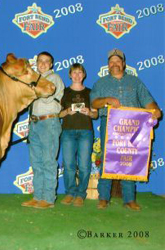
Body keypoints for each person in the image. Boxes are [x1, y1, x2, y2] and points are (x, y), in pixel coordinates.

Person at [90, 49, 162, 211]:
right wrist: (107, 100)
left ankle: (129, 199)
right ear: (108, 65)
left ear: (123, 63)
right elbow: (94, 103)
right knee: (107, 160)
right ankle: (103, 198)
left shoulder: (135, 82)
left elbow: (148, 101)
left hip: (132, 127)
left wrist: (155, 111)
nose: (114, 64)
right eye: (111, 61)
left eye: (117, 61)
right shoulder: (100, 83)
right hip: (109, 125)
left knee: (128, 161)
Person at [21, 51, 65, 209]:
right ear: (36, 63)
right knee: (36, 162)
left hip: (49, 122)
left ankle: (48, 198)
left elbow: (46, 97)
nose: (43, 64)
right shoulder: (34, 80)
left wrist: (31, 91)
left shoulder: (54, 79)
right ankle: (38, 196)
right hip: (35, 123)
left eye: (47, 61)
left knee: (48, 161)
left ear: (51, 64)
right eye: (40, 61)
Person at [59, 63, 98, 207]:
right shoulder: (64, 92)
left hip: (85, 131)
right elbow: (58, 113)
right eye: (74, 72)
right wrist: (66, 112)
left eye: (80, 72)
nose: (77, 75)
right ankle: (70, 193)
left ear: (84, 74)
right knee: (68, 164)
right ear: (69, 75)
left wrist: (89, 112)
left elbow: (95, 115)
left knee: (84, 165)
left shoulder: (90, 92)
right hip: (68, 131)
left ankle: (81, 194)